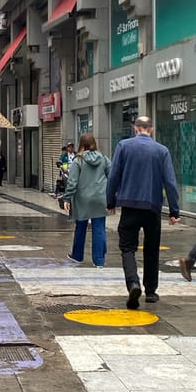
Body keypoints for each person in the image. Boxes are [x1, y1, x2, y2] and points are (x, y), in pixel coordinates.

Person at [106, 115, 180, 309]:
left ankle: (133, 283)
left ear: (135, 129)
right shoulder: (162, 150)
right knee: (151, 248)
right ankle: (151, 291)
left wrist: (110, 201)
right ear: (151, 129)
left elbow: (114, 176)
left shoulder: (124, 146)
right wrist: (174, 210)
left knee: (127, 247)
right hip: (152, 208)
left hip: (129, 207)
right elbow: (170, 183)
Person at [62, 134, 111, 267]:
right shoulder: (104, 159)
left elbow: (72, 182)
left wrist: (67, 198)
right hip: (100, 198)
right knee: (99, 228)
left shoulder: (78, 161)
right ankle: (99, 261)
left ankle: (77, 256)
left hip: (82, 199)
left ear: (81, 145)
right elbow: (111, 176)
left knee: (81, 226)